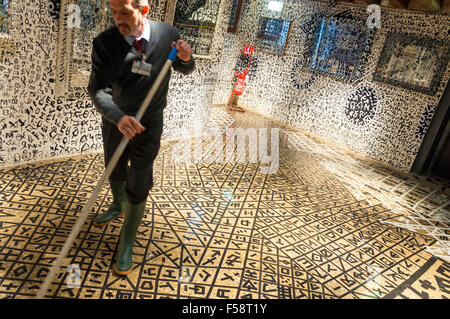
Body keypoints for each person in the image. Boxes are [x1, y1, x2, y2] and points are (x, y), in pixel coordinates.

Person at [88, 0, 195, 276]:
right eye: (113, 12)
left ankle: (127, 242)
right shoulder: (105, 43)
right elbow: (98, 89)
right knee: (113, 164)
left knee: (139, 176)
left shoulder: (167, 34)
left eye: (124, 12)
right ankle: (117, 203)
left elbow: (184, 67)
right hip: (117, 118)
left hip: (149, 122)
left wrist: (185, 58)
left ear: (144, 10)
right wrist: (117, 117)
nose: (118, 19)